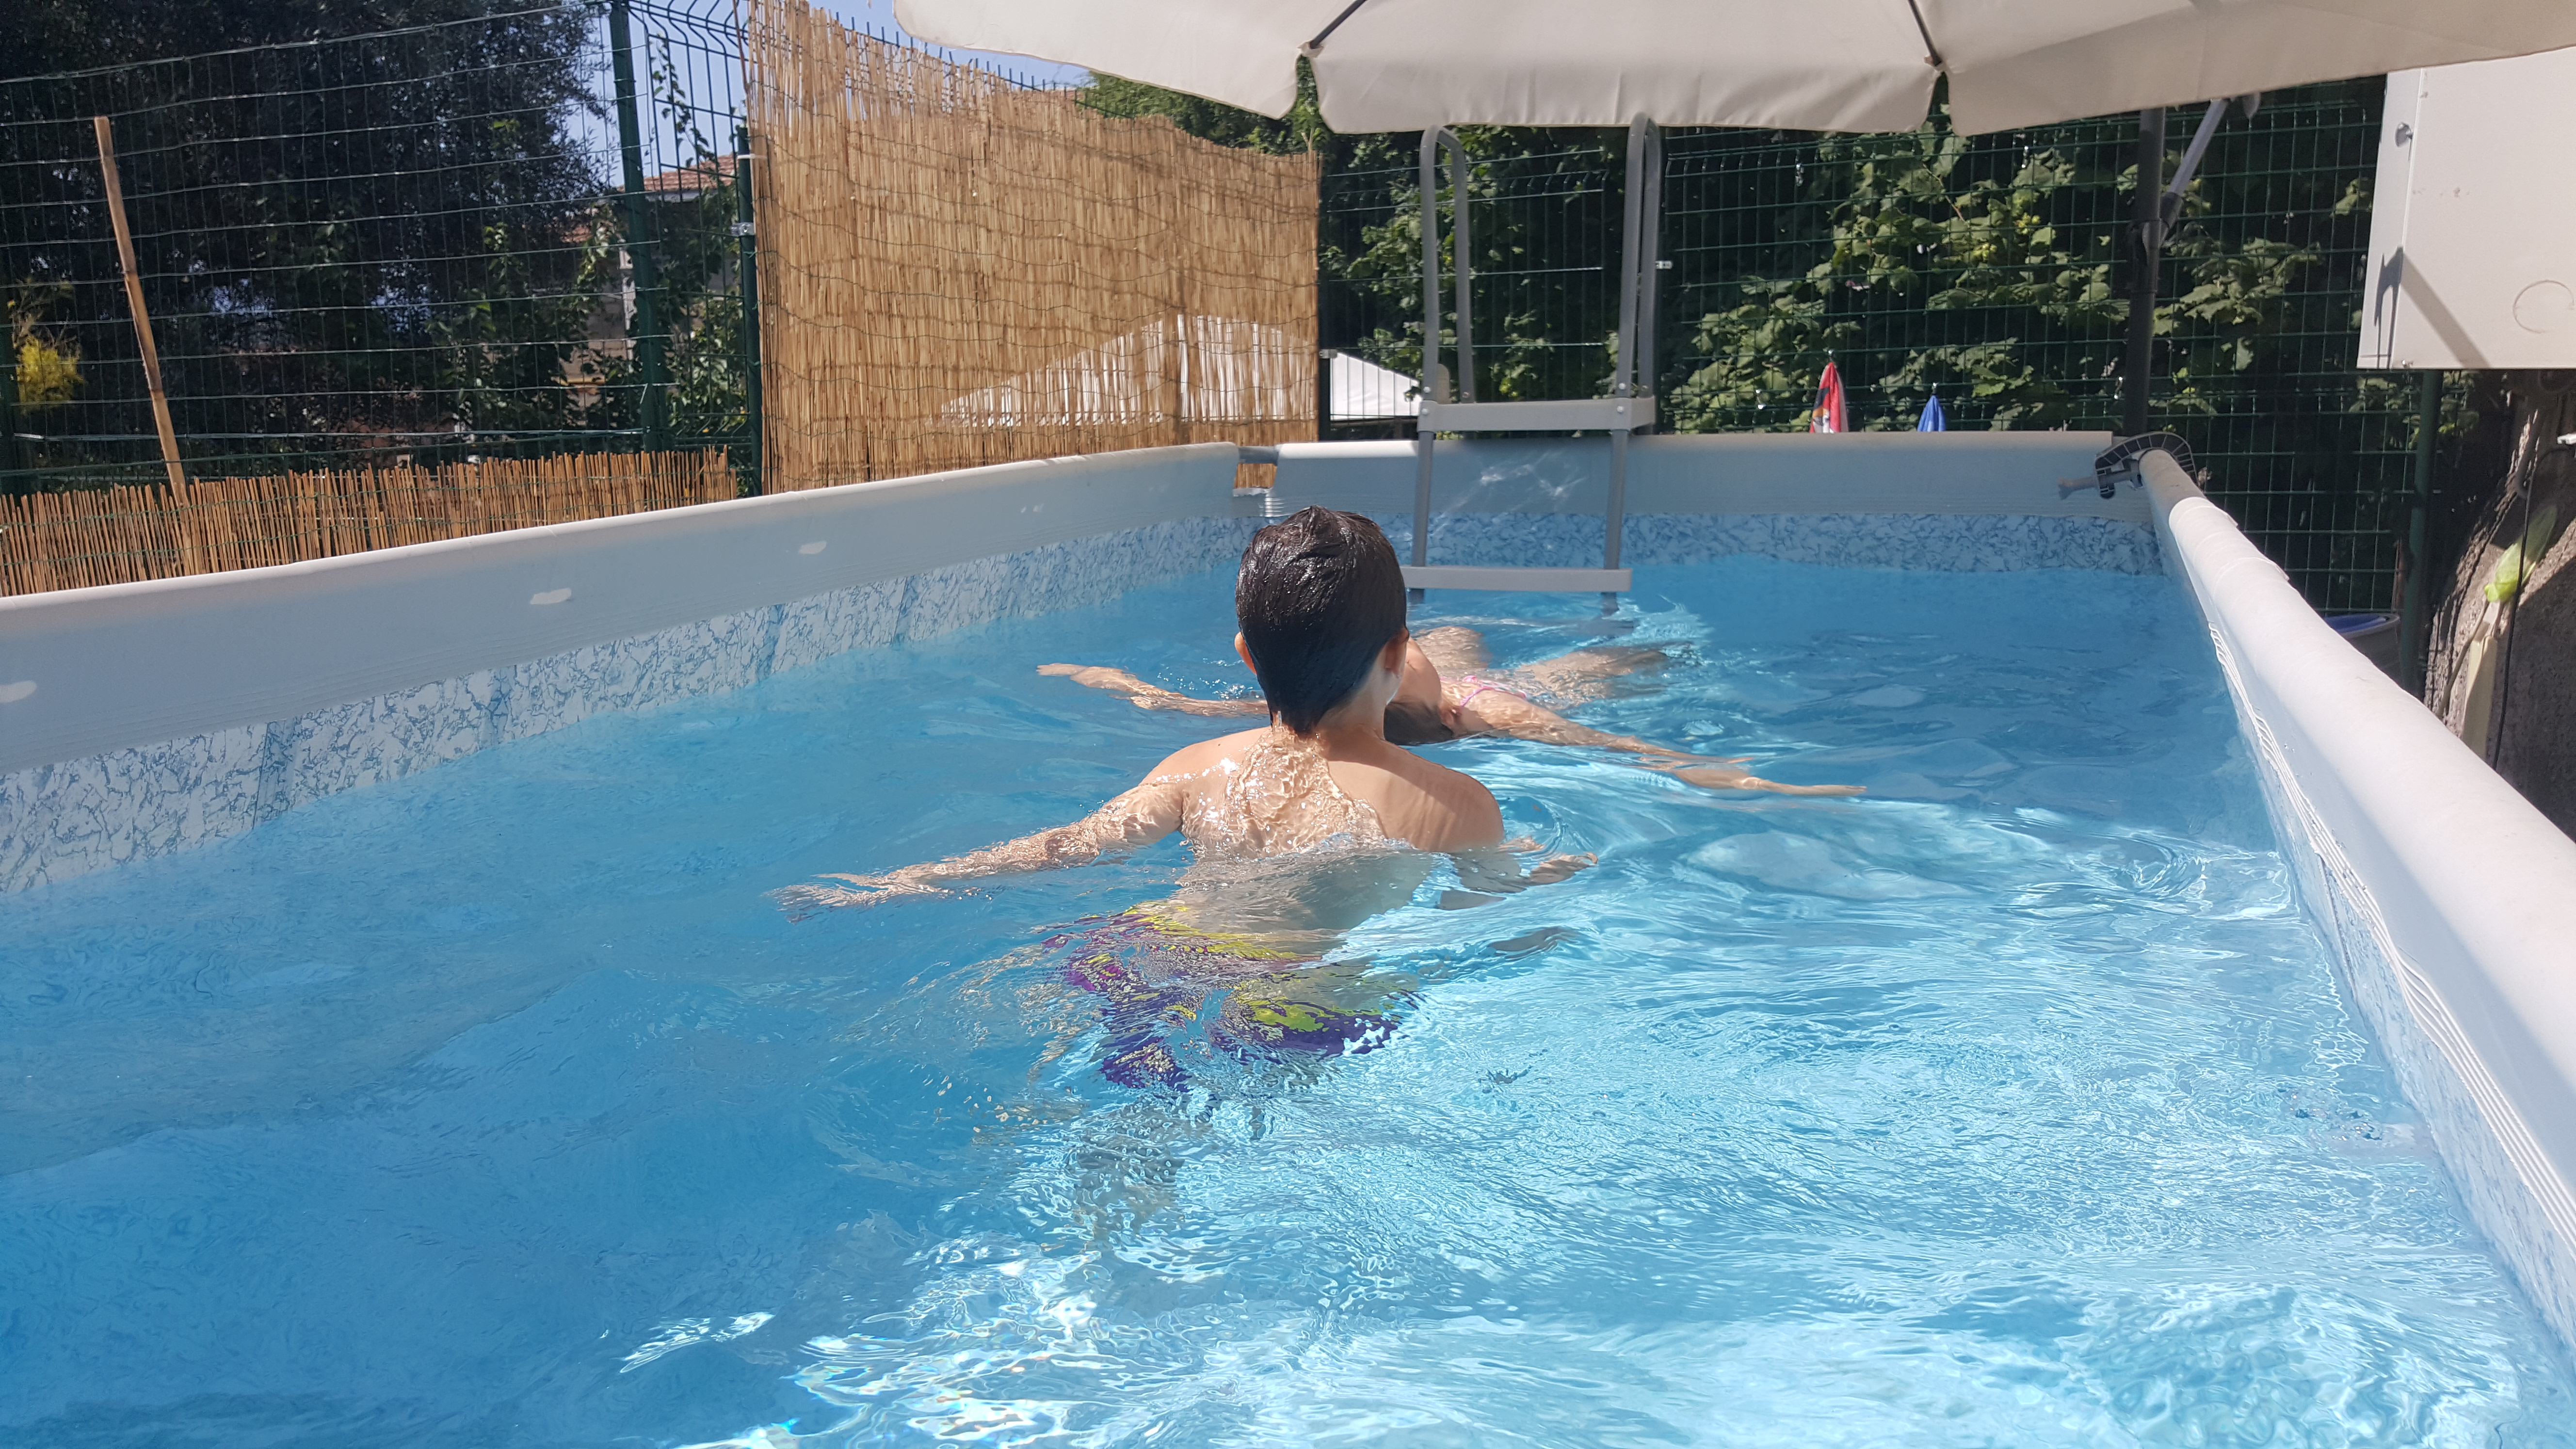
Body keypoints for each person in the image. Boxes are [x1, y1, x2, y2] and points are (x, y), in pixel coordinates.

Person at [779, 508, 1589, 1086]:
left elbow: (1068, 846)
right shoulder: (1454, 802)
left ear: (1246, 655)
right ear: (1399, 653)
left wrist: (899, 882)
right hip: (1296, 1000)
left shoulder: (1197, 766)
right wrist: (1547, 883)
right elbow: (1495, 922)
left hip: (1136, 956)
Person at [1043, 626, 1865, 798]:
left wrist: (1110, 680)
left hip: (1452, 682)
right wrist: (1741, 778)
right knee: (1615, 664)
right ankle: (1674, 650)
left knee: (1579, 667)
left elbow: (1187, 707)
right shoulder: (1479, 708)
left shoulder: (1474, 709)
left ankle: (1666, 650)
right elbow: (1612, 746)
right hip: (1474, 678)